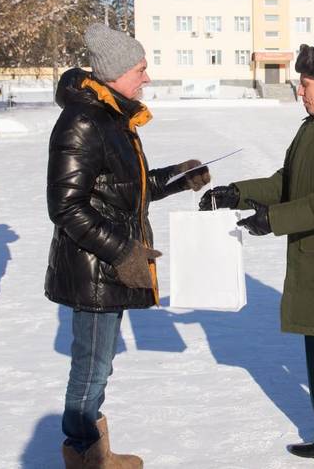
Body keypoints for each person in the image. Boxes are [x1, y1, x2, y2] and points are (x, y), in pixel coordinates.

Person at [200, 41, 314, 469]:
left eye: (305, 83)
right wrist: (239, 193)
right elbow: (290, 180)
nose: (300, 91)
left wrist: (274, 219)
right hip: (313, 260)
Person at [45, 23, 210, 469]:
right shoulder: (83, 122)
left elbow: (125, 189)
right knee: (91, 367)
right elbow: (65, 207)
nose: (147, 77)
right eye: (141, 68)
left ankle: (95, 452)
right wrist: (123, 253)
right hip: (94, 268)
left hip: (108, 266)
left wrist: (177, 176)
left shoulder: (113, 116)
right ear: (115, 72)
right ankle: (84, 456)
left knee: (99, 365)